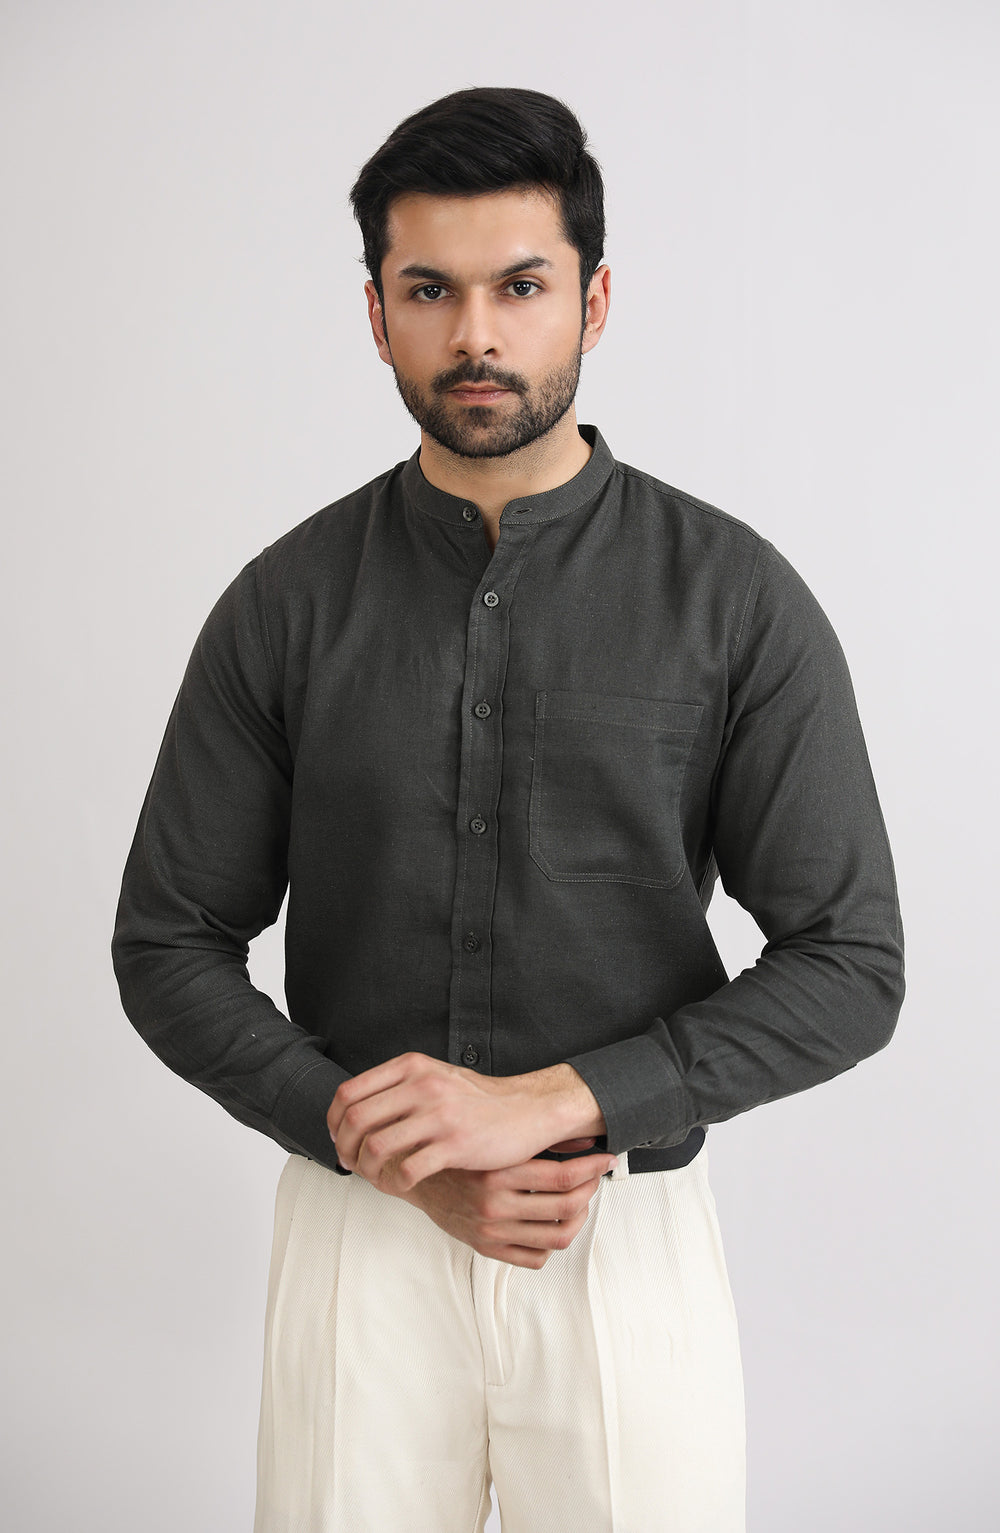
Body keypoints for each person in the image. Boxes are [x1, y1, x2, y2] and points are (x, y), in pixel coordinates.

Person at [112, 86, 904, 1532]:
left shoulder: (735, 600)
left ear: (593, 299)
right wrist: (380, 1145)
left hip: (623, 1240)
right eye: (431, 290)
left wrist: (549, 1104)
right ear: (376, 316)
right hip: (359, 1234)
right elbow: (167, 941)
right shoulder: (284, 605)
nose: (476, 334)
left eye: (520, 287)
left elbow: (851, 964)